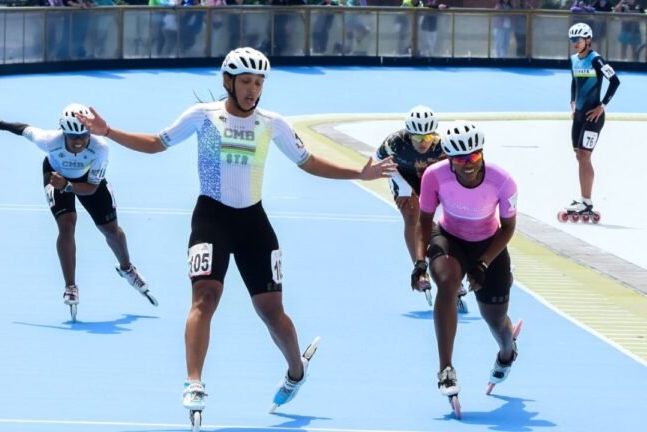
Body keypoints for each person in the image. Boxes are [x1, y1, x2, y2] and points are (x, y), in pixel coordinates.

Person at [74, 47, 396, 416]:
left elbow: (308, 162)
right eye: (245, 81)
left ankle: (296, 370)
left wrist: (359, 173)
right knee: (205, 297)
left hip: (253, 224)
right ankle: (194, 381)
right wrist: (108, 131)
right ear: (228, 82)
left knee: (271, 311)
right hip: (211, 218)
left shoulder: (272, 123)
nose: (252, 89)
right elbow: (155, 143)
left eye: (258, 82)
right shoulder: (203, 116)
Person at [0, 104, 158, 313]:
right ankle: (70, 286)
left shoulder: (101, 148)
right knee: (66, 226)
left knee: (111, 231)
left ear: (90, 132)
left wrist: (68, 185)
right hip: (55, 176)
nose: (78, 141)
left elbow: (92, 188)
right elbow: (24, 129)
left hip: (88, 181)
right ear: (63, 133)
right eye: (72, 136)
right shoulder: (49, 140)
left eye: (83, 136)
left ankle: (127, 269)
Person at [411, 121, 520, 401]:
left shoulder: (503, 181)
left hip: (489, 244)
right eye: (460, 160)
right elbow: (424, 221)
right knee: (447, 284)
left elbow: (508, 228)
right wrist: (420, 262)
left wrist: (483, 263)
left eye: (473, 156)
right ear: (449, 160)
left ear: (482, 154)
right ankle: (446, 369)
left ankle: (507, 352)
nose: (468, 164)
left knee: (495, 321)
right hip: (450, 238)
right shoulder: (434, 176)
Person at [375, 105, 468, 313]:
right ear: (409, 133)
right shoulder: (395, 142)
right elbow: (379, 161)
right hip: (403, 178)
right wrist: (403, 188)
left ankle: (451, 268)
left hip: (430, 179)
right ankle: (420, 271)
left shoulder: (443, 145)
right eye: (417, 138)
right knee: (411, 216)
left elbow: (454, 172)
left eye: (427, 137)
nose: (423, 142)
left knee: (444, 221)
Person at [565, 23, 619, 217]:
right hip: (579, 115)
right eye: (572, 40)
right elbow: (574, 82)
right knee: (579, 156)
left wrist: (602, 106)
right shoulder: (573, 59)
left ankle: (587, 202)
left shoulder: (596, 60)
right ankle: (583, 199)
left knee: (585, 156)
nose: (575, 43)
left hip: (593, 117)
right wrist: (572, 102)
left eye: (578, 40)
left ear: (588, 40)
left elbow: (615, 81)